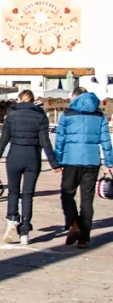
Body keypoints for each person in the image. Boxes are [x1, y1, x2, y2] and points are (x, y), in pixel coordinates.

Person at [0, 89, 60, 246]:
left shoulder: (11, 115)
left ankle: (12, 219)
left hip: (14, 156)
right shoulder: (41, 116)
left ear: (20, 99)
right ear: (33, 100)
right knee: (28, 195)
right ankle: (25, 232)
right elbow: (45, 142)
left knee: (13, 191)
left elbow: (3, 140)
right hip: (33, 158)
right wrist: (54, 164)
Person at [55, 87, 113, 249]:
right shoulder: (99, 115)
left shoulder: (67, 114)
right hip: (92, 162)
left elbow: (60, 139)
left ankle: (74, 223)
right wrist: (109, 163)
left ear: (74, 96)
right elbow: (106, 141)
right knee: (87, 200)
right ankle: (84, 239)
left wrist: (57, 160)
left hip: (71, 160)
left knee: (67, 194)